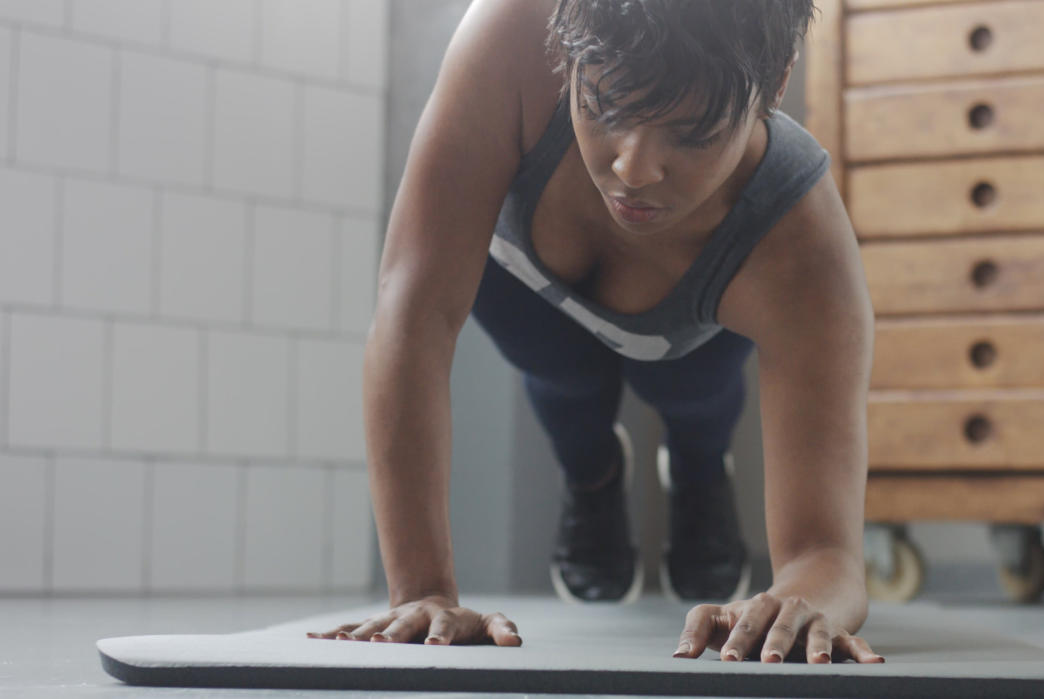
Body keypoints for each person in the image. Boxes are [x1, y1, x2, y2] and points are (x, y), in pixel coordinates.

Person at [308, 0, 881, 665]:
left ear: (777, 81)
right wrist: (422, 590)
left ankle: (698, 470)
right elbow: (413, 311)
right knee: (562, 380)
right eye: (605, 106)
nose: (634, 170)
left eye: (692, 132)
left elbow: (829, 556)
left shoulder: (803, 247)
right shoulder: (510, 34)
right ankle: (593, 474)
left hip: (687, 336)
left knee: (693, 393)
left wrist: (801, 595)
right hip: (524, 293)